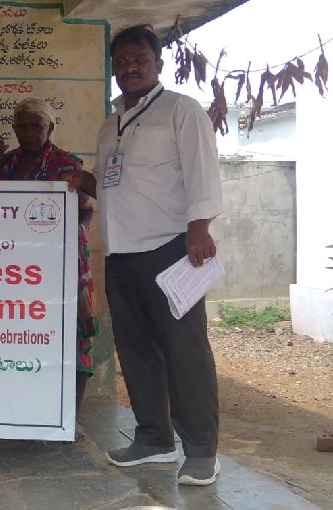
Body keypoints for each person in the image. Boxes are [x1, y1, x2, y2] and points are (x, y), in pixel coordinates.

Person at [66, 24, 224, 486]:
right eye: (121, 61)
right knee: (135, 350)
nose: (130, 68)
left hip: (170, 248)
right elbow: (112, 184)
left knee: (184, 351)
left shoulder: (181, 110)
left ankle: (201, 450)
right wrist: (81, 180)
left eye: (139, 59)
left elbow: (202, 170)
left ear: (158, 63)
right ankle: (154, 439)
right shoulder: (110, 123)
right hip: (120, 254)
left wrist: (199, 228)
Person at [0, 97, 99, 443]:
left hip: (62, 265)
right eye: (22, 126)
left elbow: (86, 208)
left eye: (36, 126)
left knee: (72, 337)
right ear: (14, 129)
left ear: (50, 128)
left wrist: (76, 216)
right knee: (18, 336)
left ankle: (72, 418)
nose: (29, 132)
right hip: (15, 268)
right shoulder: (6, 163)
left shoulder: (68, 164)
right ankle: (20, 411)